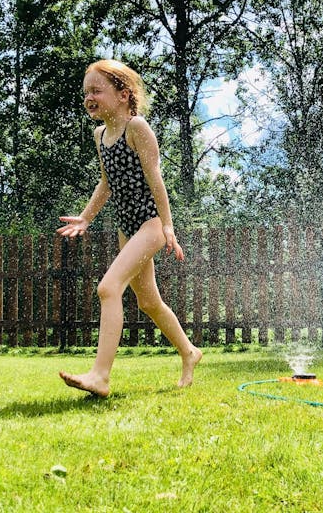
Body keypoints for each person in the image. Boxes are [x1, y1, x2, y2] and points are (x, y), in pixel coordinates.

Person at [57, 59, 202, 397]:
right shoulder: (100, 135)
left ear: (123, 94)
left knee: (108, 288)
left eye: (97, 90)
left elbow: (156, 181)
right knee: (149, 301)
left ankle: (100, 376)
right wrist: (86, 217)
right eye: (86, 93)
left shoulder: (137, 128)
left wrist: (168, 227)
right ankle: (189, 352)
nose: (89, 97)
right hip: (127, 228)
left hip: (149, 225)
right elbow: (106, 183)